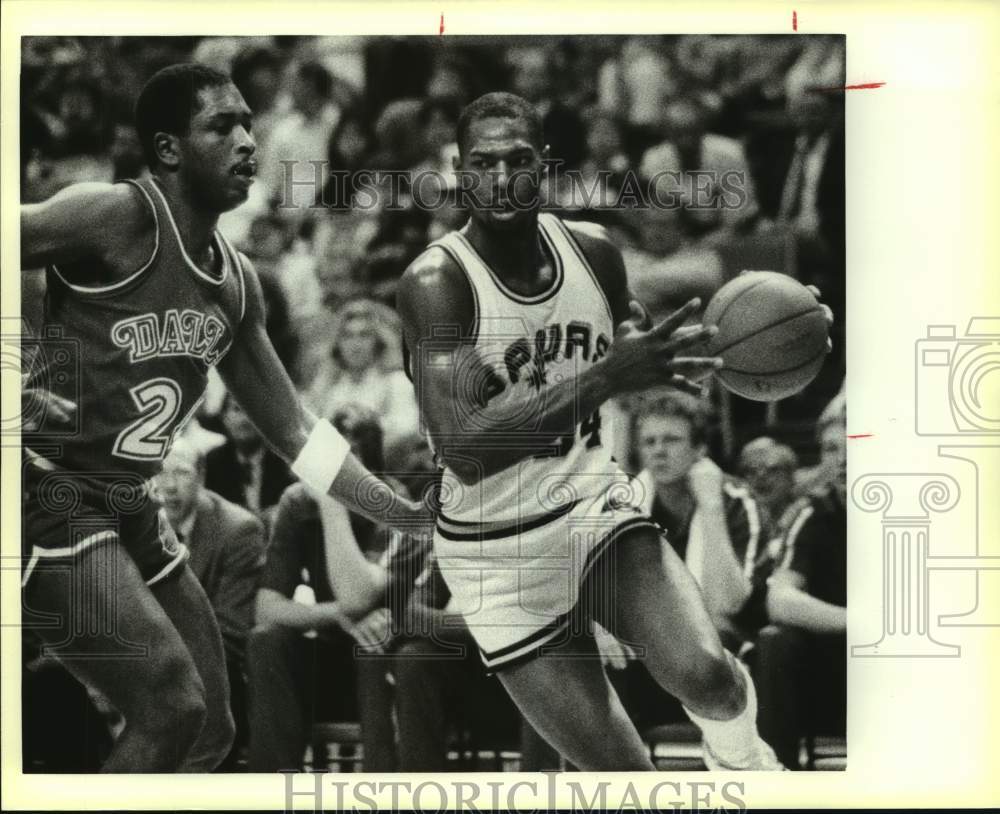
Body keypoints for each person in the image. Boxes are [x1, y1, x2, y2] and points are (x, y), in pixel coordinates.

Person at [19, 62, 427, 773]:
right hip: (48, 489)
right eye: (222, 125)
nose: (247, 140)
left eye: (247, 122)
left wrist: (399, 512)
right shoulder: (115, 214)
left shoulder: (237, 281)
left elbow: (296, 430)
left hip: (128, 500)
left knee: (210, 722)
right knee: (170, 705)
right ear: (169, 148)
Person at [395, 91, 806, 771]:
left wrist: (687, 358)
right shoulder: (437, 281)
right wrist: (608, 379)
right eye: (482, 162)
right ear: (459, 173)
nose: (501, 178)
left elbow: (630, 344)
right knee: (626, 775)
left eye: (519, 159)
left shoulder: (594, 250)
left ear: (547, 164)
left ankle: (751, 769)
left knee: (710, 677)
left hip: (591, 508)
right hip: (493, 554)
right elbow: (465, 448)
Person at [155, 437, 265, 770]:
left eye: (182, 473)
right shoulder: (130, 523)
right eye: (159, 473)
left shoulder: (238, 530)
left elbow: (229, 632)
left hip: (206, 667)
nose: (169, 486)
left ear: (201, 477)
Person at [754, 402, 847, 768]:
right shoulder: (814, 513)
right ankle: (778, 784)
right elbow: (781, 600)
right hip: (835, 674)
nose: (842, 460)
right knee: (775, 641)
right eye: (832, 449)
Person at [205, 391, 295, 524]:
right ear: (224, 417)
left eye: (251, 410)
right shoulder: (212, 462)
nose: (245, 419)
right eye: (237, 409)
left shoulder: (284, 462)